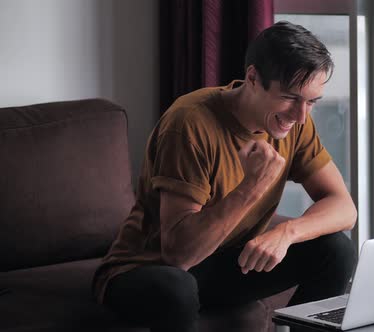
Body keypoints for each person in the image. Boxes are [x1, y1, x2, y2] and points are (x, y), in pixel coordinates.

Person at [92, 21, 358, 332]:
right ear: (253, 78)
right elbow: (179, 255)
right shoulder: (190, 124)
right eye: (290, 98)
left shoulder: (295, 125)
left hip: (222, 265)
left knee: (337, 251)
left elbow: (344, 208)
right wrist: (251, 187)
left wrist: (287, 233)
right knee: (177, 287)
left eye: (311, 102)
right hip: (145, 270)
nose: (300, 116)